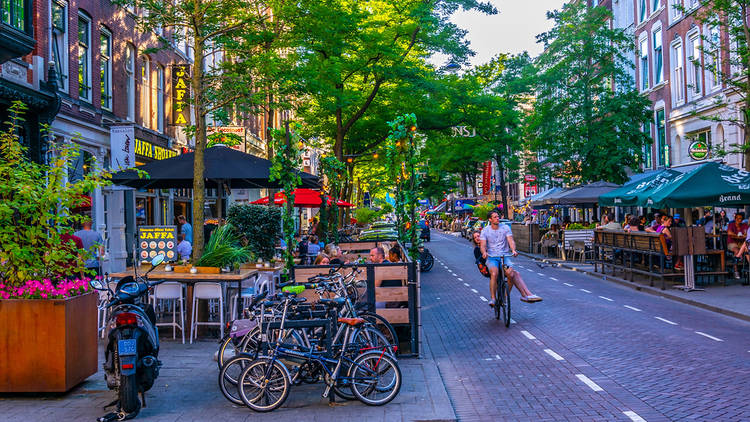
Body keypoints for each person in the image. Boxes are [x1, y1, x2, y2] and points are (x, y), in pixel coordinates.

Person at [480, 210, 542, 305]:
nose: (498, 218)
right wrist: (484, 252)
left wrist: (513, 250)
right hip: (492, 257)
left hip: (504, 257)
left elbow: (511, 240)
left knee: (511, 274)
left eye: (498, 216)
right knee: (494, 273)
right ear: (490, 219)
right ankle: (493, 298)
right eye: (495, 217)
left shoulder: (505, 228)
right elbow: (483, 245)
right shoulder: (485, 230)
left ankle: (505, 296)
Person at [728, 212, 748, 278]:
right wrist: (737, 235)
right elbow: (729, 232)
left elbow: (748, 232)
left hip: (742, 243)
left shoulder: (744, 225)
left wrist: (744, 235)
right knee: (737, 251)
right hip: (732, 243)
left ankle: (746, 269)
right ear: (735, 218)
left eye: (741, 219)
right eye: (738, 218)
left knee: (747, 251)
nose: (740, 220)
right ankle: (736, 271)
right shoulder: (731, 224)